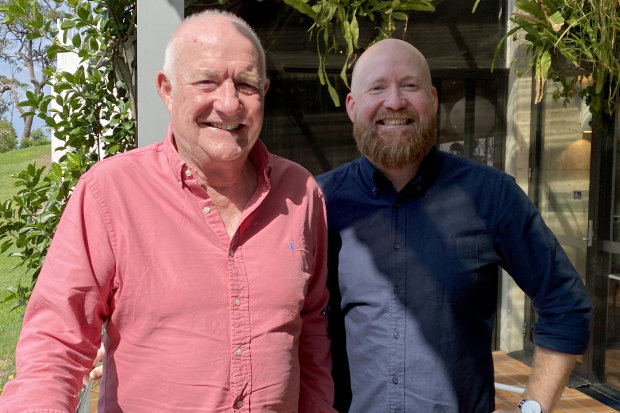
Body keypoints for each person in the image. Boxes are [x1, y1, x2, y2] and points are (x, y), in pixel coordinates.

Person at [0, 10, 335, 412]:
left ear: (263, 91)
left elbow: (311, 328)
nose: (228, 104)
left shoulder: (301, 194)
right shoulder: (111, 193)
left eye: (245, 84)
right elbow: (55, 342)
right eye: (207, 81)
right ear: (167, 90)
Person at [316, 38, 592, 413]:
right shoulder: (320, 202)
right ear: (352, 106)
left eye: (409, 85)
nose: (395, 101)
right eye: (377, 87)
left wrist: (533, 408)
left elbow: (565, 304)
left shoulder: (492, 195)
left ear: (432, 99)